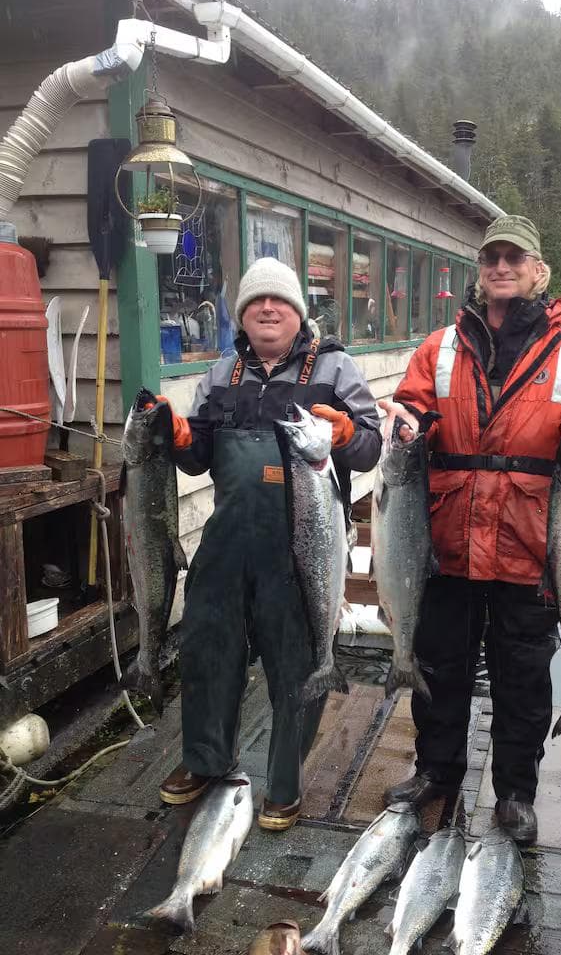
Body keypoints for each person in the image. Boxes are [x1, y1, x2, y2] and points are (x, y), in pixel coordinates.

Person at [379, 215, 561, 844]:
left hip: (534, 548)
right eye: (492, 258)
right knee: (441, 668)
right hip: (447, 544)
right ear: (480, 270)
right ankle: (436, 771)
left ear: (539, 271)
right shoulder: (440, 347)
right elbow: (414, 405)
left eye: (515, 258)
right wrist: (405, 423)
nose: (501, 267)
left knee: (522, 680)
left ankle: (515, 793)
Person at [157, 256, 381, 830]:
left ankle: (283, 784)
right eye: (256, 301)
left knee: (296, 663)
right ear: (242, 315)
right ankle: (204, 760)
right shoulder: (221, 374)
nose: (267, 309)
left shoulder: (335, 368)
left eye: (278, 300)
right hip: (228, 542)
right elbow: (198, 457)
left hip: (302, 548)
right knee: (208, 652)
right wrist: (179, 437)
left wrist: (347, 434)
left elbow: (370, 449)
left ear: (298, 311)